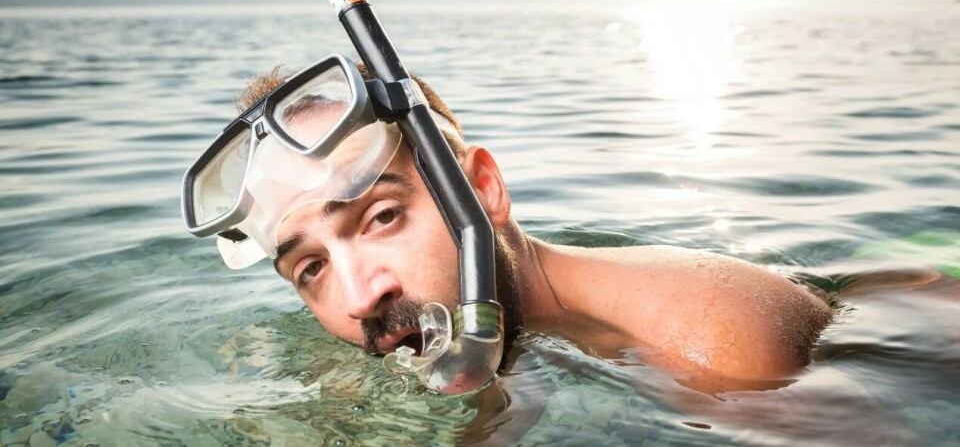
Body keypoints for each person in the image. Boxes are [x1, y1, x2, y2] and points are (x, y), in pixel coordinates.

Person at [231, 62, 834, 392]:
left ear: (484, 191)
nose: (361, 296)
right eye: (312, 268)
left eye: (382, 218)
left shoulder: (718, 345)